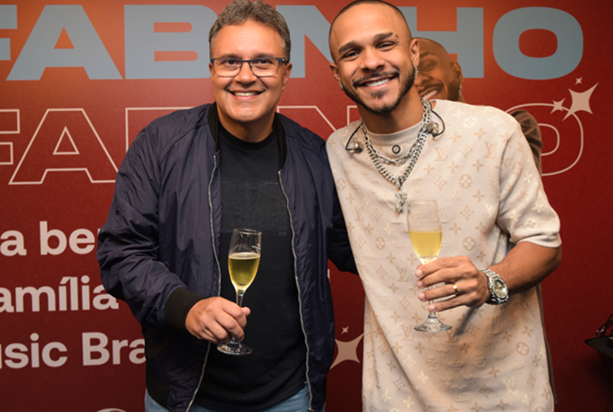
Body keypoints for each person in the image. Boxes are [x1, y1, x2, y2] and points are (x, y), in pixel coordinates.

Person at [97, 1, 355, 411]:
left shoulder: (316, 157)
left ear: (286, 73)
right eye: (230, 61)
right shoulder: (161, 144)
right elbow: (121, 253)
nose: (245, 76)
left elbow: (362, 249)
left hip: (292, 395)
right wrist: (186, 307)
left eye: (263, 62)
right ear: (212, 70)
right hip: (186, 396)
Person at [326, 1, 562, 410]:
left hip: (505, 393)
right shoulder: (336, 153)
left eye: (385, 44)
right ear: (337, 73)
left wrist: (490, 281)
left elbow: (545, 243)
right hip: (395, 398)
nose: (371, 62)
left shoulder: (492, 131)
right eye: (352, 52)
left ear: (413, 52)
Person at [414, 37, 543, 173]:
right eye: (410, 77)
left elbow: (519, 181)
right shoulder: (405, 146)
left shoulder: (513, 126)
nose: (418, 81)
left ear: (456, 72)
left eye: (427, 66)